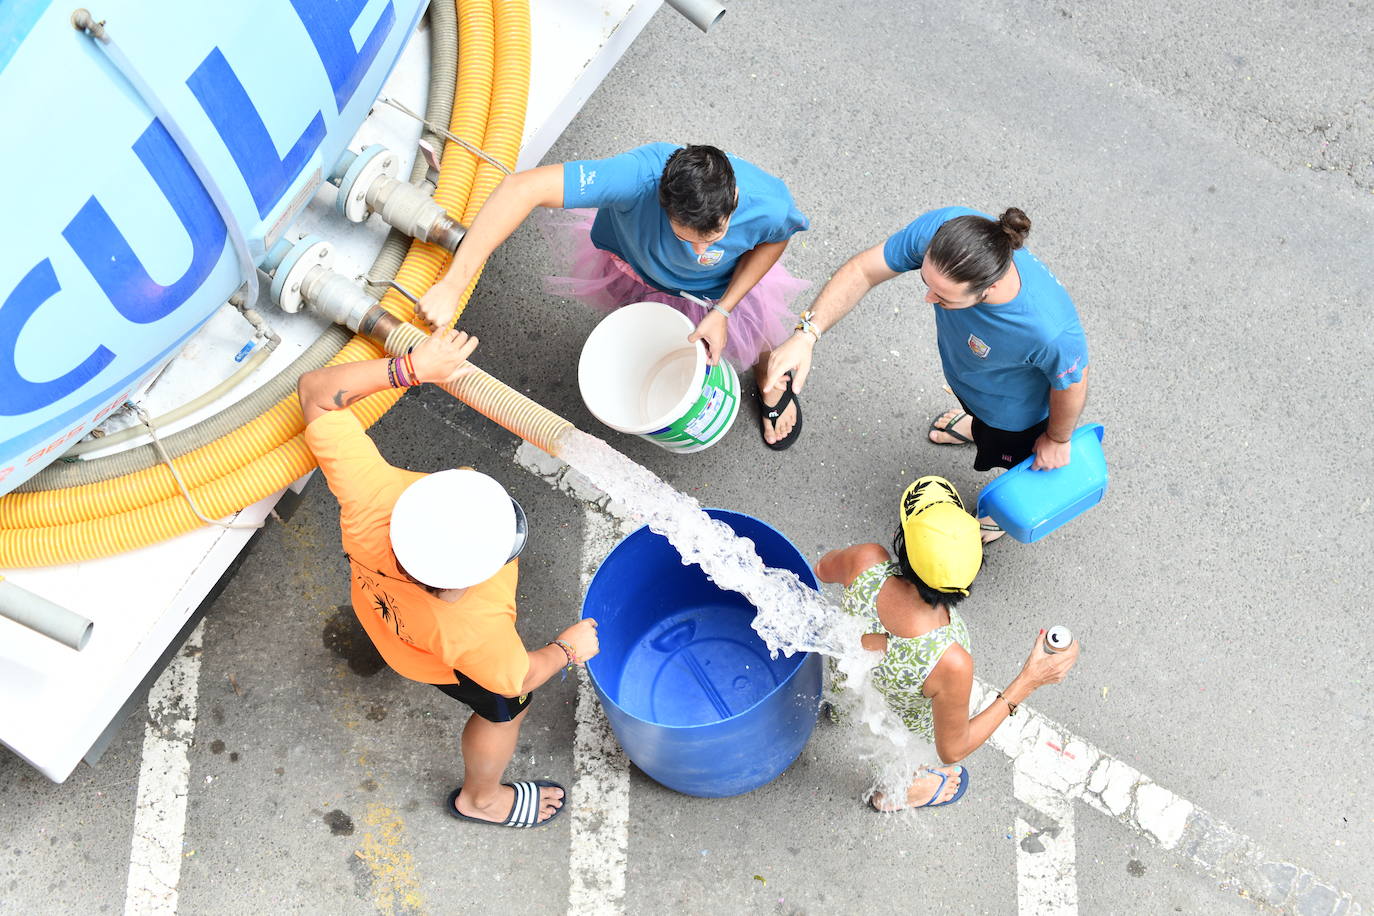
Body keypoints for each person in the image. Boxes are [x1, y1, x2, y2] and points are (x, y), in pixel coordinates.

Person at [297, 328, 600, 829]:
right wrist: (567, 650)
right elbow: (516, 677)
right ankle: (480, 798)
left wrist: (412, 368)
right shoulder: (476, 630)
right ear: (461, 583)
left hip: (383, 614)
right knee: (506, 708)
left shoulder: (373, 498)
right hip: (434, 657)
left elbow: (315, 392)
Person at [415, 142, 813, 449]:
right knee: (651, 323)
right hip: (638, 268)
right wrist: (452, 283)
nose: (697, 253)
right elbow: (522, 187)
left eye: (713, 238)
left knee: (753, 331)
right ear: (661, 198)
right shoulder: (637, 176)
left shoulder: (771, 203)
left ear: (734, 199)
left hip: (721, 290)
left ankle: (769, 372)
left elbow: (775, 240)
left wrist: (725, 310)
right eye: (682, 237)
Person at [761, 207, 1091, 537]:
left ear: (986, 290)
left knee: (1013, 461)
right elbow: (863, 270)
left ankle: (997, 518)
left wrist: (1057, 438)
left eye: (943, 297)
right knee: (981, 424)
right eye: (926, 282)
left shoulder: (1049, 330)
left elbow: (1072, 385)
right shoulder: (946, 233)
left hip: (1015, 418)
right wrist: (806, 335)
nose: (927, 298)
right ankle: (976, 427)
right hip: (974, 386)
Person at [817, 475, 1079, 811]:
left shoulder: (866, 560)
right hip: (899, 724)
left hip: (848, 675)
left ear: (904, 543)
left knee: (852, 694)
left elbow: (821, 570)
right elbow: (952, 750)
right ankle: (896, 793)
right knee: (897, 746)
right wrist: (1029, 679)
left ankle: (838, 711)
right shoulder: (949, 658)